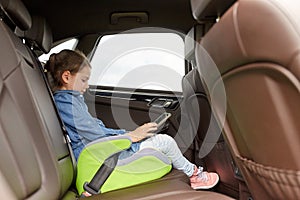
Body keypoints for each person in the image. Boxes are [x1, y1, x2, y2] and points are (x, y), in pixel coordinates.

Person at [44, 49, 219, 190]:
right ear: (66, 77)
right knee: (165, 142)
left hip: (101, 151)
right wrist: (130, 137)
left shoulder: (72, 100)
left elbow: (92, 129)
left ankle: (191, 172)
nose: (87, 86)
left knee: (160, 142)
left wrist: (127, 135)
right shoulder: (66, 102)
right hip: (99, 157)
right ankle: (194, 175)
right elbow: (92, 132)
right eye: (84, 80)